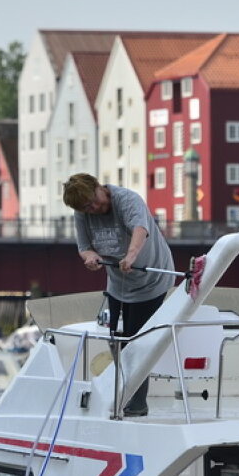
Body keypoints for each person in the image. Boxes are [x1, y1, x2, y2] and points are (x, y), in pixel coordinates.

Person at [63, 173, 175, 417]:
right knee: (116, 338)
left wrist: (131, 256)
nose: (92, 209)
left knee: (137, 340)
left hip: (150, 281)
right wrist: (90, 257)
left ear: (99, 188)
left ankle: (137, 402)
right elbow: (84, 247)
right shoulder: (82, 212)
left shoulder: (127, 200)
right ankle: (123, 389)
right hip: (118, 282)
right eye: (86, 208)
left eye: (93, 202)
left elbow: (140, 229)